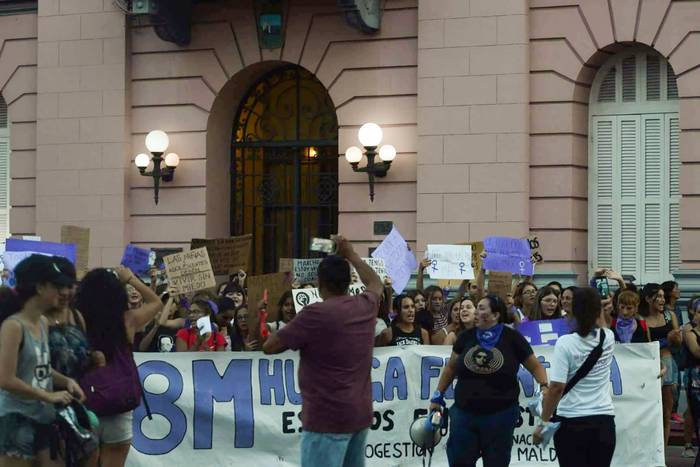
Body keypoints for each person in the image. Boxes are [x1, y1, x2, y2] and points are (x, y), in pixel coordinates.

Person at [263, 236, 383, 467]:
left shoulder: (314, 314)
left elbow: (270, 347)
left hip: (325, 419)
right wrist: (351, 254)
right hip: (359, 415)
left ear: (320, 282)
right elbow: (376, 283)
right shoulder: (365, 306)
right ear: (349, 282)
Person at [429, 295, 548, 466]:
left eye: (482, 308)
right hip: (464, 414)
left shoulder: (512, 338)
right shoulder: (465, 337)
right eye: (477, 307)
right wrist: (437, 396)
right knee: (459, 461)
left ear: (496, 315)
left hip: (501, 415)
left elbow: (536, 366)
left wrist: (544, 386)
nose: (476, 311)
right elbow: (451, 368)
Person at [0, 255, 87, 466]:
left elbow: (40, 366)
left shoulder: (41, 323)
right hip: (15, 418)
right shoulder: (13, 326)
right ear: (40, 287)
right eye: (56, 285)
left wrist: (66, 381)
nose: (64, 292)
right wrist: (48, 395)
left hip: (42, 416)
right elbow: (5, 379)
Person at [75, 266, 163, 467]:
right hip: (118, 402)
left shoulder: (76, 321)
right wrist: (130, 278)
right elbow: (156, 302)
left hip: (85, 402)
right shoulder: (128, 321)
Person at [533, 287, 616, 467]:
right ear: (597, 310)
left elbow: (556, 388)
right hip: (603, 420)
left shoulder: (565, 343)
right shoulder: (608, 337)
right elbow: (601, 323)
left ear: (573, 310)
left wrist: (543, 422)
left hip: (571, 421)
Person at [640, 282, 681, 447]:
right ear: (648, 299)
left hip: (668, 362)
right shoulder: (641, 318)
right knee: (648, 411)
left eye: (664, 296)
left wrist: (677, 339)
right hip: (649, 365)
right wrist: (667, 339)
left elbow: (678, 344)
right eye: (659, 296)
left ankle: (662, 452)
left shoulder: (670, 316)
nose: (663, 300)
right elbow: (644, 345)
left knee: (666, 413)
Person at [44, 257, 91, 381]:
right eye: (59, 286)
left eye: (70, 286)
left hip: (79, 395)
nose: (65, 292)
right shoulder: (36, 319)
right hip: (43, 396)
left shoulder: (77, 316)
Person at [683, 297, 700, 459]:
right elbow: (696, 352)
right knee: (692, 411)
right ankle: (688, 444)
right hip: (694, 376)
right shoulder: (689, 329)